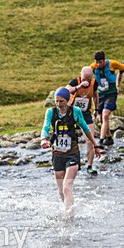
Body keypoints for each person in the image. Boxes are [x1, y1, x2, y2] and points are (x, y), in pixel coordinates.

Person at [40, 87, 100, 217]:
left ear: (67, 100)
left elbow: (85, 128)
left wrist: (95, 145)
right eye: (56, 101)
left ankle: (68, 218)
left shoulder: (75, 111)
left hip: (72, 153)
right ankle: (69, 208)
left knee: (67, 187)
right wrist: (43, 139)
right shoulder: (50, 112)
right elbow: (45, 127)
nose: (58, 104)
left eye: (61, 101)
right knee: (61, 190)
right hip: (57, 154)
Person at [91, 50, 124, 147]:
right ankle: (109, 138)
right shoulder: (93, 67)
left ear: (104, 60)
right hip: (100, 95)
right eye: (96, 62)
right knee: (101, 119)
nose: (98, 64)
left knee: (105, 115)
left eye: (100, 62)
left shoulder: (112, 64)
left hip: (111, 94)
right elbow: (85, 76)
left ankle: (101, 141)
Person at [65, 66, 102, 175]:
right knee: (68, 138)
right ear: (80, 76)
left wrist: (96, 109)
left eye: (88, 80)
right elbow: (66, 90)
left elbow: (95, 95)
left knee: (90, 140)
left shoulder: (94, 83)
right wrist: (79, 86)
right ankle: (68, 163)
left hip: (85, 114)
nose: (86, 82)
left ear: (91, 77)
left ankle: (89, 166)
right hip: (71, 112)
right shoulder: (75, 81)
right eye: (84, 79)